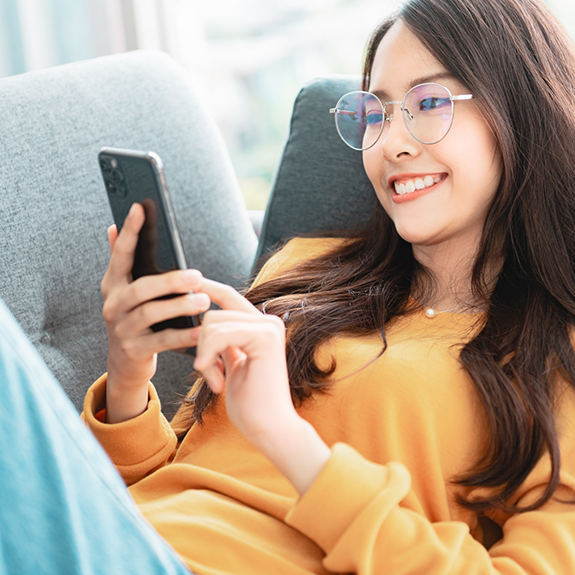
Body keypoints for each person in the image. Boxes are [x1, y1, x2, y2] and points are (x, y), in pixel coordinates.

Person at [3, 0, 575, 573]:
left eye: (429, 103)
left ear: (520, 110)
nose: (389, 143)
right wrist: (128, 376)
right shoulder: (308, 268)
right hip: (124, 542)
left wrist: (286, 435)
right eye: (374, 113)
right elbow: (167, 481)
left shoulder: (556, 357)